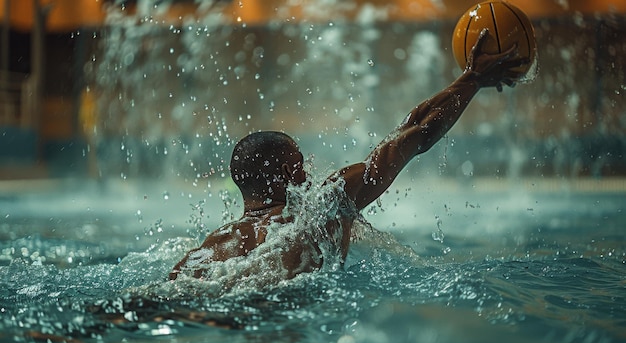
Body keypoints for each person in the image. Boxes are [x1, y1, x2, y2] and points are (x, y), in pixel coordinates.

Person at [169, 29, 528, 281]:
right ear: (283, 173)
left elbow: (406, 131)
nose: (308, 175)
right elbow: (417, 136)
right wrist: (473, 80)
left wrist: (465, 80)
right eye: (299, 165)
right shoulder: (324, 207)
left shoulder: (210, 248)